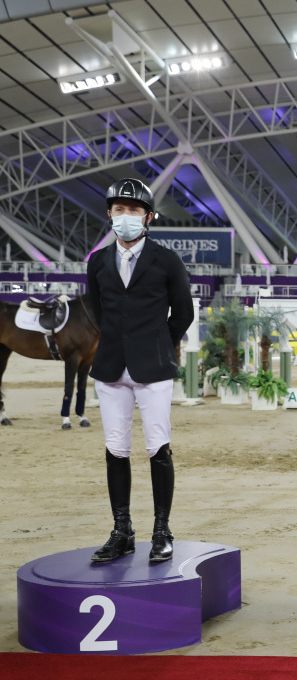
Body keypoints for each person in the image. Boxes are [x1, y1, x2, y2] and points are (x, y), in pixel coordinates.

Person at [86, 177, 194, 563]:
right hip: (111, 369)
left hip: (154, 369)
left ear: (148, 217)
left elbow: (183, 312)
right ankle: (122, 530)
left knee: (157, 448)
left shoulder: (167, 259)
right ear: (110, 215)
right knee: (116, 450)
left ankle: (162, 530)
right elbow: (98, 310)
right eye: (119, 210)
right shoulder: (98, 261)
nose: (125, 217)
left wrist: (158, 343)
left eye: (133, 210)